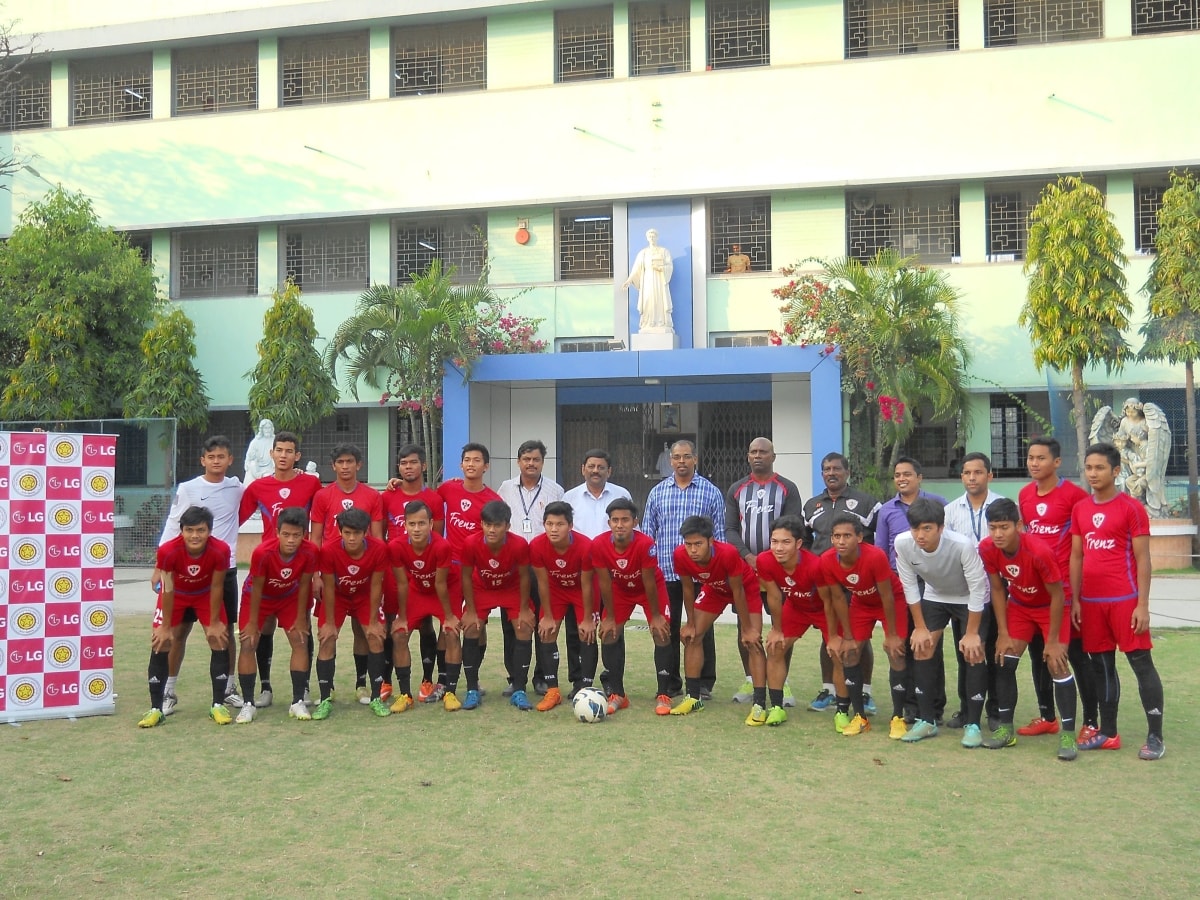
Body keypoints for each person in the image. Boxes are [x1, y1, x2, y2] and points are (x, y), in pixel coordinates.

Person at [1069, 443, 1165, 760]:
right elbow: (1077, 556)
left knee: (1141, 664)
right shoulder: (1081, 509)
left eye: (1099, 468)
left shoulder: (1131, 508)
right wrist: (1078, 599)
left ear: (1115, 471)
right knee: (1102, 668)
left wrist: (1142, 604)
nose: (1093, 473)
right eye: (1089, 468)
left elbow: (1143, 559)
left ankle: (1155, 736)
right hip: (1092, 604)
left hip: (1125, 601)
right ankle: (1109, 733)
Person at [977, 499, 1078, 760]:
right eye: (993, 527)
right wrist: (1002, 632)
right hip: (1020, 606)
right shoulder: (987, 548)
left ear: (1018, 525)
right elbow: (998, 589)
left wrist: (1053, 641)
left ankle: (1068, 735)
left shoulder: (1038, 551)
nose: (998, 534)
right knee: (1004, 659)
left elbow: (1058, 596)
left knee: (1057, 664)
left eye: (1004, 527)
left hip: (1050, 606)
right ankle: (1005, 730)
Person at [152, 435, 244, 716]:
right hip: (185, 573)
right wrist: (159, 563)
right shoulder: (189, 488)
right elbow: (173, 522)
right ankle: (168, 690)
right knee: (177, 633)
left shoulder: (237, 488)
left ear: (230, 460)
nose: (217, 462)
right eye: (211, 457)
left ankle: (227, 688)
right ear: (203, 460)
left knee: (224, 631)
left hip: (221, 570)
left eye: (222, 457)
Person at [1018, 436, 1098, 740]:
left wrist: (1076, 594)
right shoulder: (1025, 495)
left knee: (1074, 655)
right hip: (1034, 594)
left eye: (1041, 458)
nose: (1034, 463)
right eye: (1030, 458)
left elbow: (1082, 547)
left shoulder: (1075, 496)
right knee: (1038, 653)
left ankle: (1091, 721)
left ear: (1057, 462)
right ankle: (1047, 716)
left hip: (1065, 590)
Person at [893, 498, 990, 748]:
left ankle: (973, 725)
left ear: (940, 527)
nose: (920, 535)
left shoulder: (962, 545)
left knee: (973, 651)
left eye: (927, 528)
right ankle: (927, 721)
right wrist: (920, 628)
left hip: (970, 596)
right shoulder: (903, 544)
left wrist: (971, 634)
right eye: (916, 529)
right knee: (922, 647)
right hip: (936, 596)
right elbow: (909, 585)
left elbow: (979, 588)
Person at [238, 430, 322, 706]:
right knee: (263, 629)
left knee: (301, 627)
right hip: (268, 565)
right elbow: (234, 518)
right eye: (279, 450)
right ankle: (265, 687)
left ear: (297, 456)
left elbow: (324, 513)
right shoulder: (258, 487)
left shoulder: (310, 483)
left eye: (289, 451)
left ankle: (304, 689)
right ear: (271, 453)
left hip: (300, 567)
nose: (283, 455)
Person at [641, 439, 726, 698]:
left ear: (695, 459)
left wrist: (714, 573)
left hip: (700, 575)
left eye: (686, 456)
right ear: (670, 461)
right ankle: (670, 683)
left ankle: (702, 683)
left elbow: (719, 535)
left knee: (700, 628)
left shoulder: (710, 492)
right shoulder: (657, 492)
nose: (681, 461)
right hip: (666, 573)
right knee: (668, 626)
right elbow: (648, 533)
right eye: (676, 457)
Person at [724, 437, 803, 707]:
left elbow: (794, 526)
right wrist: (748, 556)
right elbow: (730, 529)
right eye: (753, 452)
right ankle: (751, 677)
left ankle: (782, 682)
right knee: (745, 626)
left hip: (779, 571)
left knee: (783, 624)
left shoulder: (787, 488)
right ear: (748, 456)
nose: (758, 456)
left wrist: (771, 558)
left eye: (763, 452)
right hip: (747, 570)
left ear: (773, 456)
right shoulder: (736, 489)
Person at [138, 506, 232, 727]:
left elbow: (218, 586)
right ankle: (156, 708)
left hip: (205, 595)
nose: (195, 535)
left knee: (218, 637)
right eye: (189, 530)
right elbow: (167, 589)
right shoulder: (168, 551)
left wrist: (216, 622)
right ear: (181, 531)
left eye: (200, 530)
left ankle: (218, 705)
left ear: (209, 531)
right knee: (161, 641)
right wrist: (165, 627)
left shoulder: (221, 550)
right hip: (176, 595)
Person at [802, 452, 881, 713]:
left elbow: (878, 541)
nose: (831, 473)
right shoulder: (811, 505)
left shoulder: (866, 503)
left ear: (847, 472)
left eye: (836, 468)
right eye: (826, 469)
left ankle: (865, 692)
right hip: (824, 583)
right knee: (829, 636)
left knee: (860, 638)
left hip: (857, 584)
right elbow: (804, 543)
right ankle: (829, 689)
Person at [819, 513, 908, 739]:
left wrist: (892, 634)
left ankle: (898, 717)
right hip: (862, 602)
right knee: (849, 652)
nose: (841, 541)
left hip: (891, 600)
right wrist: (846, 635)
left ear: (859, 537)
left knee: (895, 652)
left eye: (847, 536)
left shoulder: (875, 556)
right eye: (836, 536)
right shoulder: (827, 560)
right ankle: (860, 717)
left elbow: (887, 595)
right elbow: (838, 598)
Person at [309, 443, 385, 705]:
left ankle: (362, 684)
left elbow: (376, 537)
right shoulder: (322, 496)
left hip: (364, 576)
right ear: (333, 466)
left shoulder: (372, 496)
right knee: (328, 633)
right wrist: (316, 574)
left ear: (358, 465)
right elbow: (315, 537)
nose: (345, 466)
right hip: (332, 572)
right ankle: (326, 691)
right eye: (340, 462)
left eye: (350, 462)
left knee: (365, 632)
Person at [669, 516, 764, 723]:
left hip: (744, 588)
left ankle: (760, 703)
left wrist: (747, 629)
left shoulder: (728, 552)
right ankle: (693, 697)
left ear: (711, 541)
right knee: (693, 637)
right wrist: (691, 623)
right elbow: (687, 588)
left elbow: (737, 591)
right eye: (689, 544)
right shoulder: (680, 555)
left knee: (752, 641)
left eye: (698, 544)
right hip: (714, 589)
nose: (693, 550)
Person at [875, 456, 948, 723]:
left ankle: (935, 706)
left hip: (930, 582)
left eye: (907, 474)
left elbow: (947, 540)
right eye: (897, 475)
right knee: (902, 643)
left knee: (929, 645)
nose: (902, 479)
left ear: (919, 477)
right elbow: (882, 551)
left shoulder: (938, 504)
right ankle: (910, 707)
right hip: (898, 583)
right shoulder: (886, 510)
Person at [234, 507, 318, 723]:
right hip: (259, 599)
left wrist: (301, 618)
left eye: (297, 535)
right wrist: (252, 623)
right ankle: (248, 703)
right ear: (277, 532)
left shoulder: (310, 552)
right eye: (286, 534)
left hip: (289, 596)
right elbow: (257, 589)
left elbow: (304, 585)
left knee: (300, 640)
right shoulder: (263, 553)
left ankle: (298, 701)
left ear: (303, 535)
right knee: (248, 643)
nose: (291, 540)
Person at [590, 498, 673, 716]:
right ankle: (618, 694)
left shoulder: (645, 544)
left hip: (650, 589)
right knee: (609, 633)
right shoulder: (598, 545)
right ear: (609, 523)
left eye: (625, 520)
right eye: (615, 520)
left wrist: (655, 616)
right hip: (619, 590)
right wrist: (609, 617)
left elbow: (648, 581)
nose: (620, 524)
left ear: (635, 521)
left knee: (661, 631)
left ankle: (664, 694)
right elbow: (605, 582)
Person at [942, 451, 1005, 731]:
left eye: (977, 472)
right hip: (964, 594)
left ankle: (994, 710)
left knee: (993, 652)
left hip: (996, 590)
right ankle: (967, 709)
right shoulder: (951, 510)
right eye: (967, 473)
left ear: (989, 476)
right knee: (965, 652)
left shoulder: (1003, 505)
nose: (972, 478)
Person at [498, 439, 565, 696]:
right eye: (526, 459)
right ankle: (515, 677)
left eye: (536, 459)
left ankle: (541, 677)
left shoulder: (555, 490)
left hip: (542, 567)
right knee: (512, 624)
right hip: (512, 567)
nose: (531, 464)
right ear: (518, 462)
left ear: (542, 462)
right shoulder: (505, 488)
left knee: (544, 622)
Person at [438, 442, 503, 701]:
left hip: (479, 571)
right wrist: (395, 483)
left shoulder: (493, 500)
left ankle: (472, 679)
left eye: (477, 460)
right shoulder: (448, 488)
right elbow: (424, 498)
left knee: (477, 623)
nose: (471, 464)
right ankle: (445, 680)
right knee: (450, 625)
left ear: (486, 466)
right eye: (467, 460)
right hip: (452, 568)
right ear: (461, 464)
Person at [382, 444, 447, 704]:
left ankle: (428, 679)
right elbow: (379, 533)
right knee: (393, 624)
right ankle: (387, 680)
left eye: (413, 462)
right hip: (395, 569)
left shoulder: (434, 498)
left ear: (424, 466)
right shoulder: (387, 496)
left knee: (425, 624)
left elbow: (438, 536)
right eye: (403, 463)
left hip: (425, 570)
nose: (408, 467)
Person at [313, 508, 391, 720]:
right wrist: (329, 623)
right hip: (337, 597)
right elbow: (328, 587)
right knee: (327, 638)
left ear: (366, 532)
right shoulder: (329, 550)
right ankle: (325, 698)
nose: (352, 538)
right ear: (340, 532)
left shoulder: (378, 549)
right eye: (347, 533)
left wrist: (373, 621)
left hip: (364, 597)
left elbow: (376, 585)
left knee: (375, 636)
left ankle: (376, 697)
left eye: (357, 533)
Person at [459, 500, 534, 711]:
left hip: (511, 589)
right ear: (481, 524)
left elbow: (525, 577)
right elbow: (465, 577)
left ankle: (519, 689)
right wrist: (471, 611)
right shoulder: (471, 543)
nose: (492, 530)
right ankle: (472, 689)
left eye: (497, 525)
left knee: (524, 626)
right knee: (473, 628)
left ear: (507, 526)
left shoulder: (519, 544)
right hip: (482, 588)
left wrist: (524, 610)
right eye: (487, 524)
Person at [388, 500, 463, 712]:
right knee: (400, 634)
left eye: (421, 523)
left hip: (446, 591)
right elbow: (402, 583)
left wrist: (448, 617)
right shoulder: (396, 546)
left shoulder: (442, 546)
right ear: (405, 525)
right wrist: (402, 617)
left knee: (451, 632)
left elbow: (440, 583)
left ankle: (450, 691)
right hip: (419, 590)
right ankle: (405, 695)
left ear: (431, 524)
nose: (417, 528)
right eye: (412, 524)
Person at [759, 516, 832, 727]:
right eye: (775, 541)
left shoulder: (816, 565)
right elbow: (773, 596)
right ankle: (776, 707)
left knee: (839, 652)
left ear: (798, 544)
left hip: (824, 609)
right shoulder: (765, 560)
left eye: (785, 542)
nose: (779, 547)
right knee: (775, 647)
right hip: (796, 607)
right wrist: (776, 628)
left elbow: (830, 600)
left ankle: (844, 710)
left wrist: (834, 636)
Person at [529, 501, 597, 709]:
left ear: (570, 526)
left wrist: (587, 619)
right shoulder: (537, 545)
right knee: (547, 631)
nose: (553, 529)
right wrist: (547, 615)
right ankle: (552, 690)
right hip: (555, 590)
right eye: (549, 524)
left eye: (559, 524)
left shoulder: (586, 546)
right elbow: (541, 581)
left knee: (586, 632)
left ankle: (584, 687)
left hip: (581, 590)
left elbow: (587, 584)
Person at [623, 228, 674, 333]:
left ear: (657, 237)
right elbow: (636, 268)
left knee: (660, 300)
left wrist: (661, 268)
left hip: (660, 280)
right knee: (647, 301)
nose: (652, 238)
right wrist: (629, 280)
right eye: (650, 236)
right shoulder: (643, 253)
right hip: (647, 281)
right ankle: (648, 323)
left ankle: (661, 322)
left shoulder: (664, 251)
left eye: (653, 236)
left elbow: (670, 266)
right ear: (647, 238)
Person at [243, 418, 275, 483]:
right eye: (265, 428)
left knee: (267, 476)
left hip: (271, 467)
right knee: (252, 465)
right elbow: (249, 456)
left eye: (269, 428)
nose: (267, 430)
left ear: (272, 429)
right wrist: (248, 463)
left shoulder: (275, 440)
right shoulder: (256, 441)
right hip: (257, 468)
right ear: (262, 429)